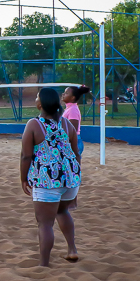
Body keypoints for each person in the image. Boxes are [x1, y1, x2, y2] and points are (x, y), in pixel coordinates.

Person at [20, 88, 82, 267]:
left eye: (37, 96)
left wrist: (23, 178)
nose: (36, 98)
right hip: (70, 179)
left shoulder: (34, 124)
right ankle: (72, 250)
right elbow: (76, 154)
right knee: (62, 211)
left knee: (45, 223)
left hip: (47, 180)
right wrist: (75, 179)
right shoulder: (66, 125)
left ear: (41, 104)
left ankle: (44, 264)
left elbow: (25, 156)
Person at [61, 85, 92, 157]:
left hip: (73, 142)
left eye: (66, 93)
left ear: (72, 98)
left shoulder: (73, 110)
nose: (63, 94)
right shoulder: (69, 108)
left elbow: (73, 129)